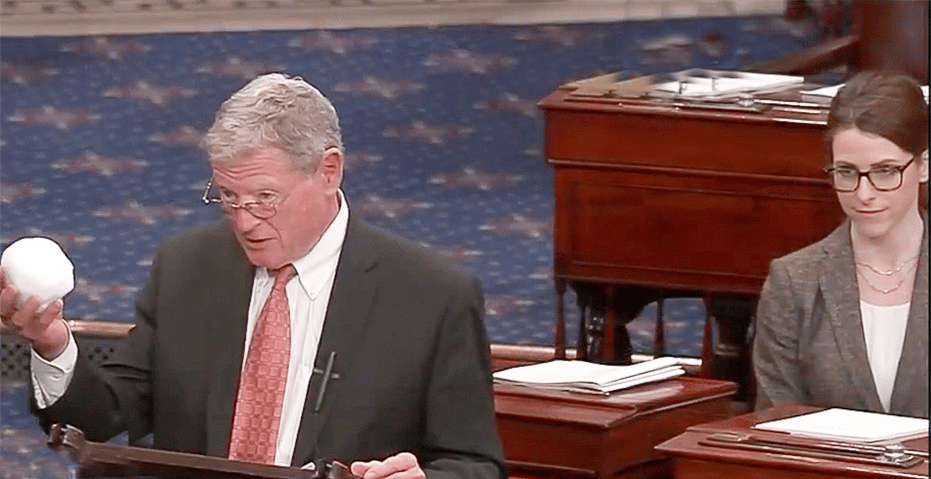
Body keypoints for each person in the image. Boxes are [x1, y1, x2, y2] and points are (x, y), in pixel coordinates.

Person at [0, 73, 506, 478]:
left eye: (265, 198)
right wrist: (51, 344)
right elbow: (105, 416)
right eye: (227, 197)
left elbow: (475, 464)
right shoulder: (187, 267)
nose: (243, 221)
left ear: (329, 171)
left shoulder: (431, 297)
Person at [752, 70, 928, 418]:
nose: (864, 194)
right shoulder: (794, 281)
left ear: (923, 165)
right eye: (846, 172)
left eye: (885, 171)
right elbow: (776, 425)